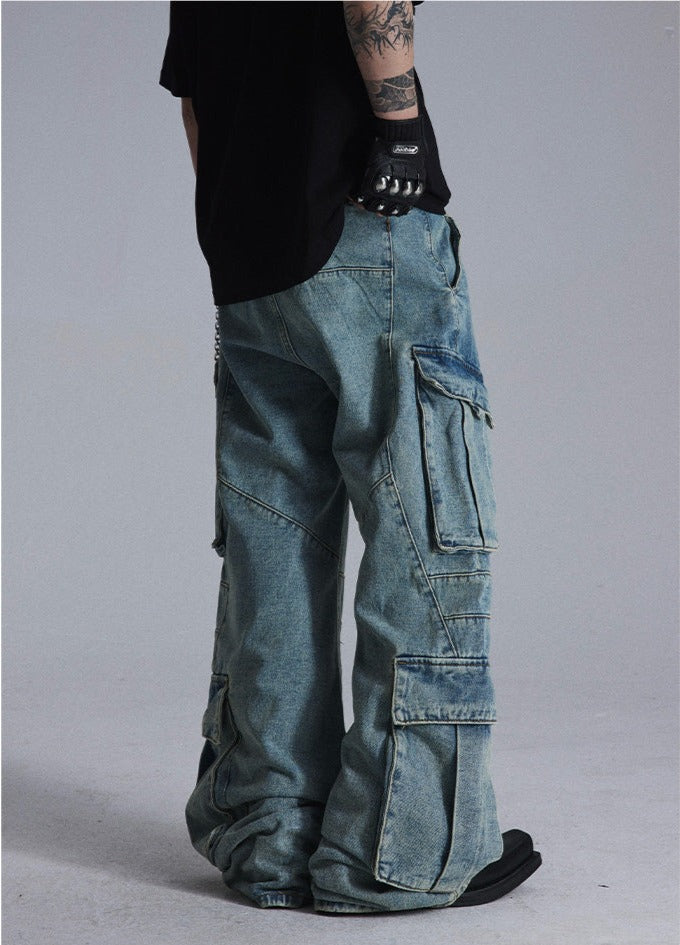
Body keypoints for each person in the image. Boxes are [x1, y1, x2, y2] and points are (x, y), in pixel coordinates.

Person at [159, 0, 542, 914]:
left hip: (251, 253)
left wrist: (241, 228)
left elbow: (193, 97)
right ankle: (404, 851)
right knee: (425, 527)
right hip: (368, 214)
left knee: (272, 537)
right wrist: (400, 128)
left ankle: (272, 834)